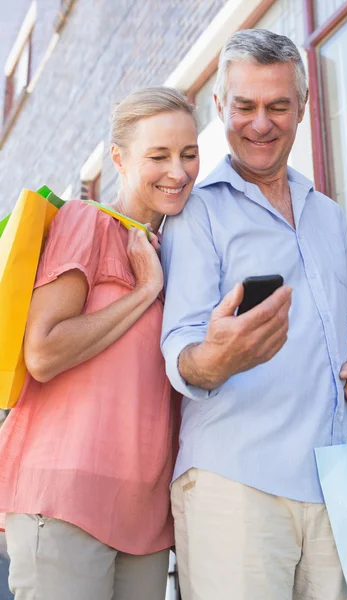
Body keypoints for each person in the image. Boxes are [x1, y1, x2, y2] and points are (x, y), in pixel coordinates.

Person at [161, 30, 347, 600]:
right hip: (236, 486)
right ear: (219, 107)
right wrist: (216, 356)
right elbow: (180, 350)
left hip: (336, 483)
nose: (261, 123)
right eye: (245, 106)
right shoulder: (196, 212)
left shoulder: (329, 216)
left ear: (303, 108)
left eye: (278, 106)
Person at [0, 86, 199, 600]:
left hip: (145, 515)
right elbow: (42, 352)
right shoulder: (87, 221)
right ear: (119, 158)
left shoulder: (177, 247)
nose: (177, 172)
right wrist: (145, 292)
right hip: (66, 495)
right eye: (158, 155)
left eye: (189, 153)